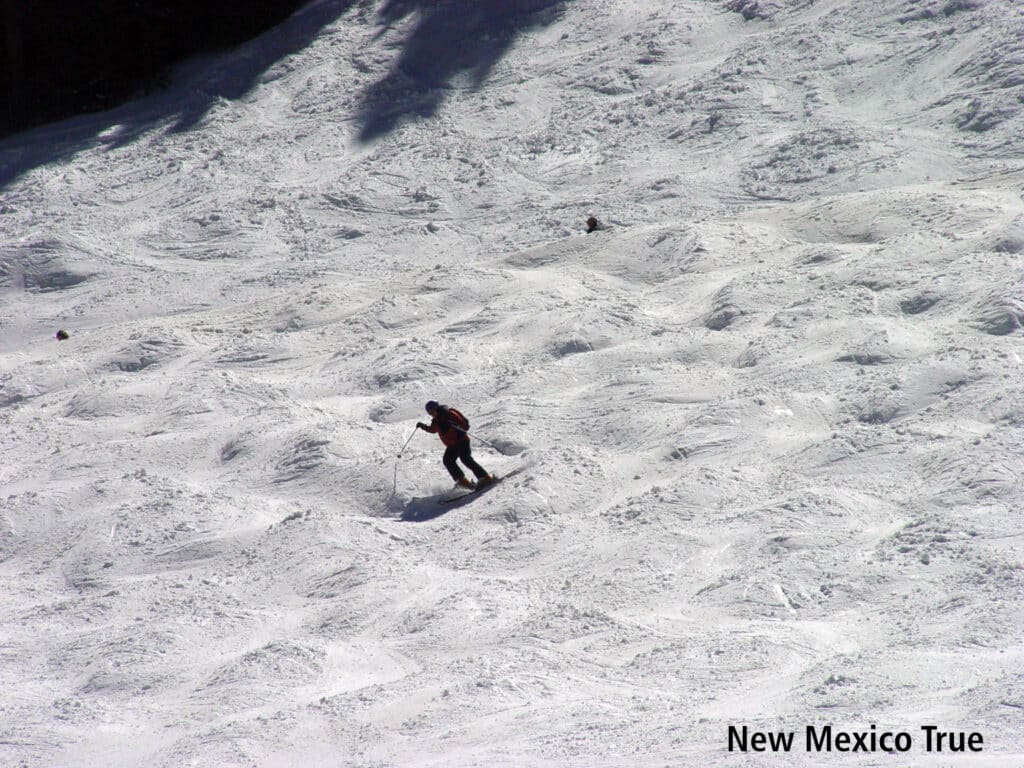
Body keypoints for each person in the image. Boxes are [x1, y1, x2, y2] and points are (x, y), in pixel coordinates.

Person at [417, 400, 493, 489]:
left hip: (461, 441)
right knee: (448, 461)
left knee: (465, 459)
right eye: (429, 413)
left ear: (437, 408)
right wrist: (423, 426)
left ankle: (485, 478)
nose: (431, 414)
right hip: (452, 445)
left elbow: (465, 426)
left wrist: (453, 424)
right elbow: (433, 430)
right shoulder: (436, 420)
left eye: (432, 412)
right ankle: (463, 482)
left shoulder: (449, 414)